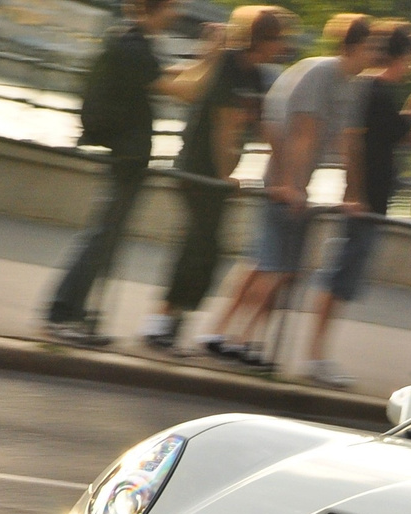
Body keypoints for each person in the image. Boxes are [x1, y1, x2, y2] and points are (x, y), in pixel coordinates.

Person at [197, 12, 376, 381]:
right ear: (354, 46)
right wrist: (291, 186)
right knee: (278, 268)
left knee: (265, 265)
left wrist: (350, 193)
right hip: (284, 178)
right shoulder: (324, 74)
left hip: (294, 179)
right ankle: (237, 338)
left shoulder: (349, 82)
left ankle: (222, 332)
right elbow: (300, 134)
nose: (376, 53)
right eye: (372, 46)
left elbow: (346, 143)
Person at [297, 21, 411, 387]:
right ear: (406, 55)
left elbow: (404, 131)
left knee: (340, 279)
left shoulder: (376, 89)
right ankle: (315, 357)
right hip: (366, 201)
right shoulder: (375, 90)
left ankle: (316, 355)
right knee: (339, 280)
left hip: (369, 198)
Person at [44, 0, 218, 346]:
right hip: (126, 159)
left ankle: (76, 316)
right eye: (173, 6)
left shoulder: (133, 42)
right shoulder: (134, 49)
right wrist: (212, 57)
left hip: (126, 157)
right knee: (100, 238)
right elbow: (184, 91)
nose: (178, 13)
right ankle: (62, 315)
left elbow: (169, 78)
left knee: (103, 239)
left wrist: (204, 58)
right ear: (157, 8)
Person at [138, 6, 293, 352]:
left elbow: (260, 122)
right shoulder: (229, 65)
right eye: (280, 39)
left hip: (218, 175)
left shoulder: (254, 75)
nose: (283, 46)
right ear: (263, 39)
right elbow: (225, 127)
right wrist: (226, 177)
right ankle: (160, 321)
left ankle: (172, 321)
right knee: (197, 246)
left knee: (207, 250)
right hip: (199, 170)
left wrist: (284, 165)